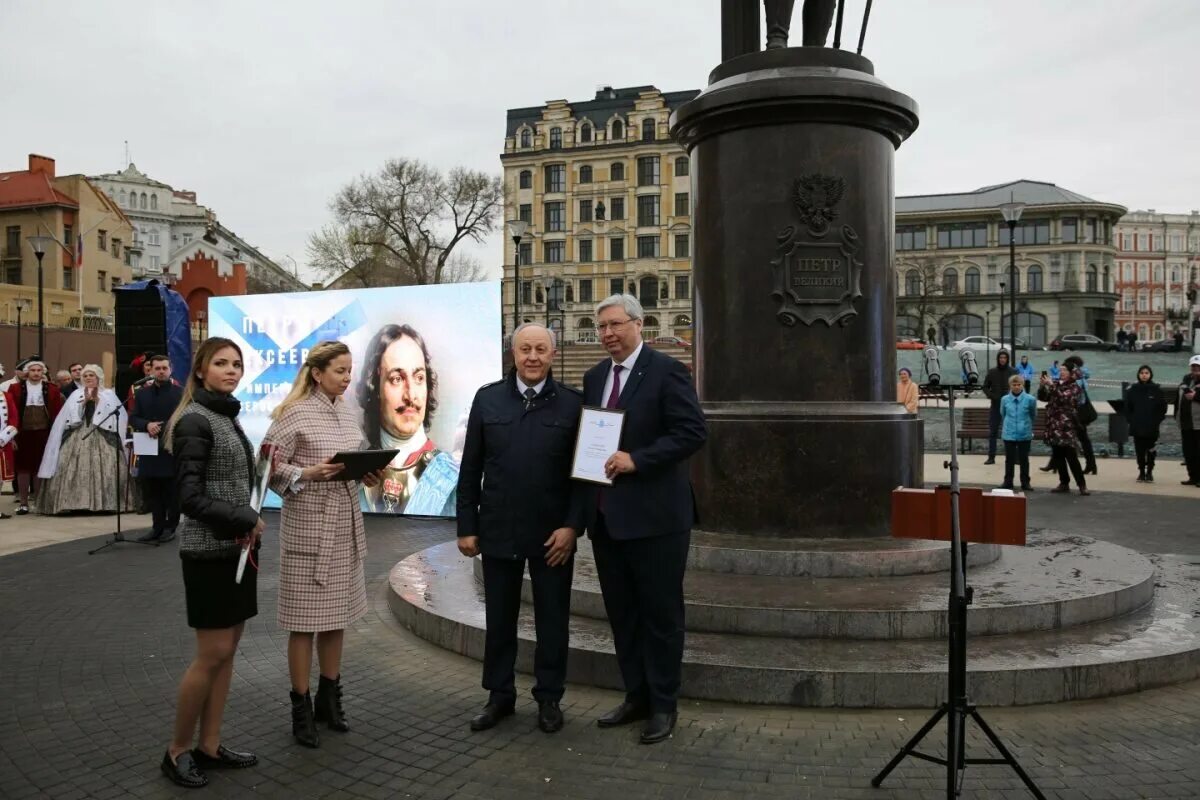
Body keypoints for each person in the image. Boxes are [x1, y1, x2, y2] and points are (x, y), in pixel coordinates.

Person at [578, 294, 706, 745]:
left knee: (660, 615)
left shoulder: (667, 371)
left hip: (657, 521)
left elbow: (692, 432)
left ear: (638, 324)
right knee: (623, 615)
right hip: (608, 520)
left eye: (615, 325)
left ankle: (664, 706)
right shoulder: (594, 377)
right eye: (601, 327)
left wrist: (640, 459)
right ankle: (636, 695)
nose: (608, 334)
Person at [456, 324, 584, 735]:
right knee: (500, 619)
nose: (533, 357)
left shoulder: (572, 404)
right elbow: (471, 466)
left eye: (541, 350)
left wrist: (572, 527)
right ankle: (499, 696)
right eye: (525, 349)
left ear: (553, 354)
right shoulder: (488, 399)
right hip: (498, 530)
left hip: (553, 538)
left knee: (552, 620)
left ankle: (549, 697)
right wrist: (466, 526)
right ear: (513, 353)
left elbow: (583, 477)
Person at [263, 341, 382, 749]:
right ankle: (301, 707)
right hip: (309, 529)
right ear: (317, 373)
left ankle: (330, 700)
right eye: (340, 371)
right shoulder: (292, 413)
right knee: (303, 623)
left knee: (337, 618)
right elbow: (266, 468)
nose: (347, 379)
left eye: (350, 371)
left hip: (345, 526)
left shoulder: (347, 412)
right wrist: (307, 473)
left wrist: (365, 473)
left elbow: (352, 459)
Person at [159, 337, 263, 789]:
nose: (231, 370)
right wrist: (244, 517)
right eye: (221, 363)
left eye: (237, 364)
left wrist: (264, 472)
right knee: (212, 654)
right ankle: (177, 750)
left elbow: (231, 482)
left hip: (238, 549)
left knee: (227, 653)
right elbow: (190, 497)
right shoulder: (195, 422)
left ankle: (210, 744)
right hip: (208, 551)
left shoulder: (225, 416)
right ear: (201, 370)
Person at [357, 324, 457, 515]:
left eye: (419, 377)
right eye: (396, 379)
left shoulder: (452, 476)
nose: (411, 395)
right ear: (374, 388)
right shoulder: (355, 475)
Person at [36, 365, 132, 514]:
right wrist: (84, 403)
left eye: (91, 375)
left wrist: (98, 401)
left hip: (103, 434)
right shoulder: (76, 394)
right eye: (85, 376)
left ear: (98, 377)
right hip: (78, 433)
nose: (88, 378)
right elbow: (69, 418)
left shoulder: (108, 394)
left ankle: (106, 503)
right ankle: (72, 503)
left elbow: (115, 418)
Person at [131, 355, 185, 542]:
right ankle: (157, 527)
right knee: (153, 491)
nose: (161, 371)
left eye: (164, 368)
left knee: (171, 490)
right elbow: (134, 417)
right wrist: (147, 425)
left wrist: (164, 427)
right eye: (157, 368)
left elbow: (186, 418)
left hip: (171, 448)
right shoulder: (142, 394)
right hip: (149, 446)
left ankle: (171, 526)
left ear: (170, 370)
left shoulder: (181, 393)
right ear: (151, 371)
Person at [5, 358, 64, 515]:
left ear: (43, 372)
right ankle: (24, 502)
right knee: (23, 468)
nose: (36, 373)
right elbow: (12, 413)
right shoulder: (15, 388)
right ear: (27, 372)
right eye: (33, 370)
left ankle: (39, 502)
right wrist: (12, 436)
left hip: (43, 432)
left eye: (39, 370)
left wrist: (56, 434)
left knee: (40, 467)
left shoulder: (51, 389)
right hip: (22, 432)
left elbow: (57, 413)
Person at [1039, 367, 1089, 496]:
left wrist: (1052, 386)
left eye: (1065, 370)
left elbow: (1064, 398)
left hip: (1066, 426)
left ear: (1071, 373)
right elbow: (1043, 397)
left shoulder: (1074, 387)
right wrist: (1042, 386)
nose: (1061, 372)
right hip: (1054, 425)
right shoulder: (1056, 384)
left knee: (1071, 456)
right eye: (1060, 370)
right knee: (1058, 455)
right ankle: (1064, 482)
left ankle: (1081, 484)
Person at [1123, 365, 1167, 483]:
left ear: (1150, 374)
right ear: (1138, 374)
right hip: (1137, 426)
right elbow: (1127, 408)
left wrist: (1157, 421)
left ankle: (1150, 472)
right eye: (1142, 373)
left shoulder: (1157, 390)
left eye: (1146, 373)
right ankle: (1141, 472)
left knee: (1151, 450)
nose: (1144, 375)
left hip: (1152, 426)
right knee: (1139, 451)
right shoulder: (1133, 390)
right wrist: (1131, 420)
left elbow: (1162, 408)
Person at [999, 374, 1036, 492]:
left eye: (1019, 384)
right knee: (1009, 459)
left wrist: (1027, 426)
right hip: (1009, 433)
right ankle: (1008, 481)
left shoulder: (1030, 399)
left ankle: (1025, 482)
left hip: (1024, 433)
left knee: (1024, 459)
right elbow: (1003, 413)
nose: (1016, 387)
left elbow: (1033, 414)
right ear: (1010, 386)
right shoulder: (1004, 399)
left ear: (1022, 385)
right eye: (1014, 385)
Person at [981, 350, 1017, 465]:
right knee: (993, 432)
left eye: (1004, 357)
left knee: (1012, 432)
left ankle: (1014, 457)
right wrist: (992, 396)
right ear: (998, 359)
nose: (1002, 359)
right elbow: (985, 387)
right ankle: (991, 457)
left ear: (1007, 359)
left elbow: (1018, 386)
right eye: (1000, 357)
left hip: (1010, 406)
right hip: (996, 406)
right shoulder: (992, 372)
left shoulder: (1013, 371)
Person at [1063, 355, 1097, 474]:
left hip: (1077, 414)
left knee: (1076, 439)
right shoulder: (1081, 375)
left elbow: (1078, 397)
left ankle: (1091, 464)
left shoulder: (1076, 378)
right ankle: (1091, 464)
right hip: (1079, 413)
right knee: (1082, 439)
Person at [1177, 355, 1200, 486]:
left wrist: (1196, 396)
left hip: (1199, 424)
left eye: (1198, 367)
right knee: (1189, 452)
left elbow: (1194, 396)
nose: (1195, 369)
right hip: (1186, 423)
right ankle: (1193, 476)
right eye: (1193, 367)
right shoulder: (1186, 380)